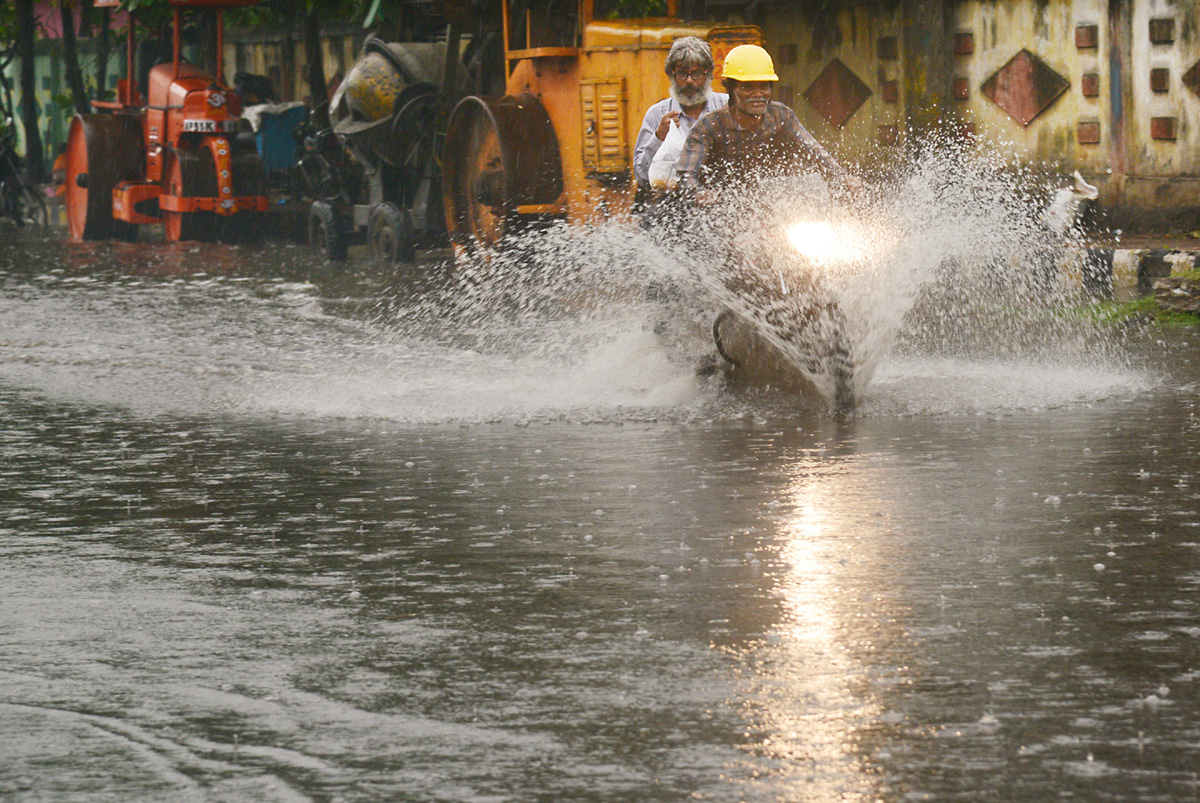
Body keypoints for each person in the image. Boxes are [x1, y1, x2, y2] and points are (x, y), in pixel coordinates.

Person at [673, 44, 861, 202]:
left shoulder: (782, 116)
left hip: (775, 205)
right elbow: (686, 174)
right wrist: (699, 194)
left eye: (763, 86)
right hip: (724, 209)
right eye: (747, 87)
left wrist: (843, 177)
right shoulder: (709, 126)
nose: (757, 95)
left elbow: (814, 151)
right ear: (730, 89)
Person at [632, 36, 727, 192]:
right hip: (672, 203)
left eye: (696, 73)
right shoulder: (657, 114)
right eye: (682, 74)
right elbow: (642, 176)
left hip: (720, 200)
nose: (689, 81)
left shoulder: (726, 107)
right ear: (672, 75)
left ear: (708, 73)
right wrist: (658, 137)